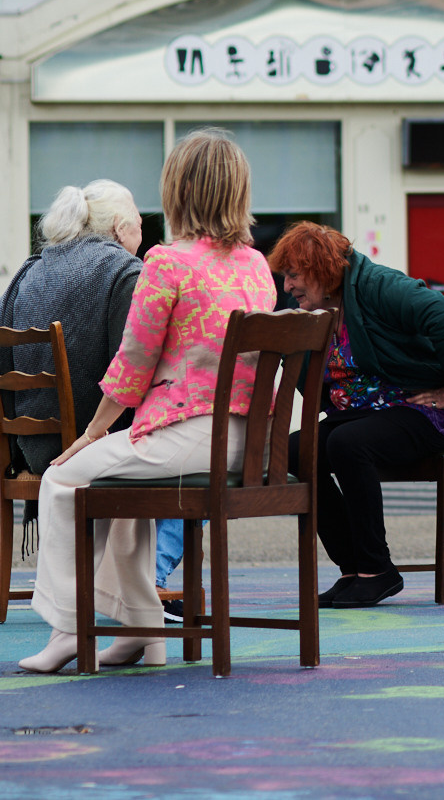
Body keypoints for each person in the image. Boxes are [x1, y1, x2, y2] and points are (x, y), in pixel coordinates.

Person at [18, 128, 278, 674]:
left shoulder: (167, 262)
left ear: (177, 190)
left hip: (189, 439)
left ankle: (69, 627)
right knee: (121, 489)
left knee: (63, 480)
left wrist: (91, 434)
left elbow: (132, 365)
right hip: (245, 443)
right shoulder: (256, 265)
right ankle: (142, 631)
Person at [270, 220, 444, 609]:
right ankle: (353, 569)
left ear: (319, 269)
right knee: (296, 451)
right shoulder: (326, 308)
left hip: (426, 412)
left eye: (293, 275)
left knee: (347, 444)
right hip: (372, 415)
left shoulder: (377, 285)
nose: (287, 286)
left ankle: (377, 572)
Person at [0, 180, 145, 478]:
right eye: (140, 223)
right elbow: (132, 369)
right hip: (91, 447)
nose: (142, 232)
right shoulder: (125, 271)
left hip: (31, 451)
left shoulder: (34, 267)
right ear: (120, 227)